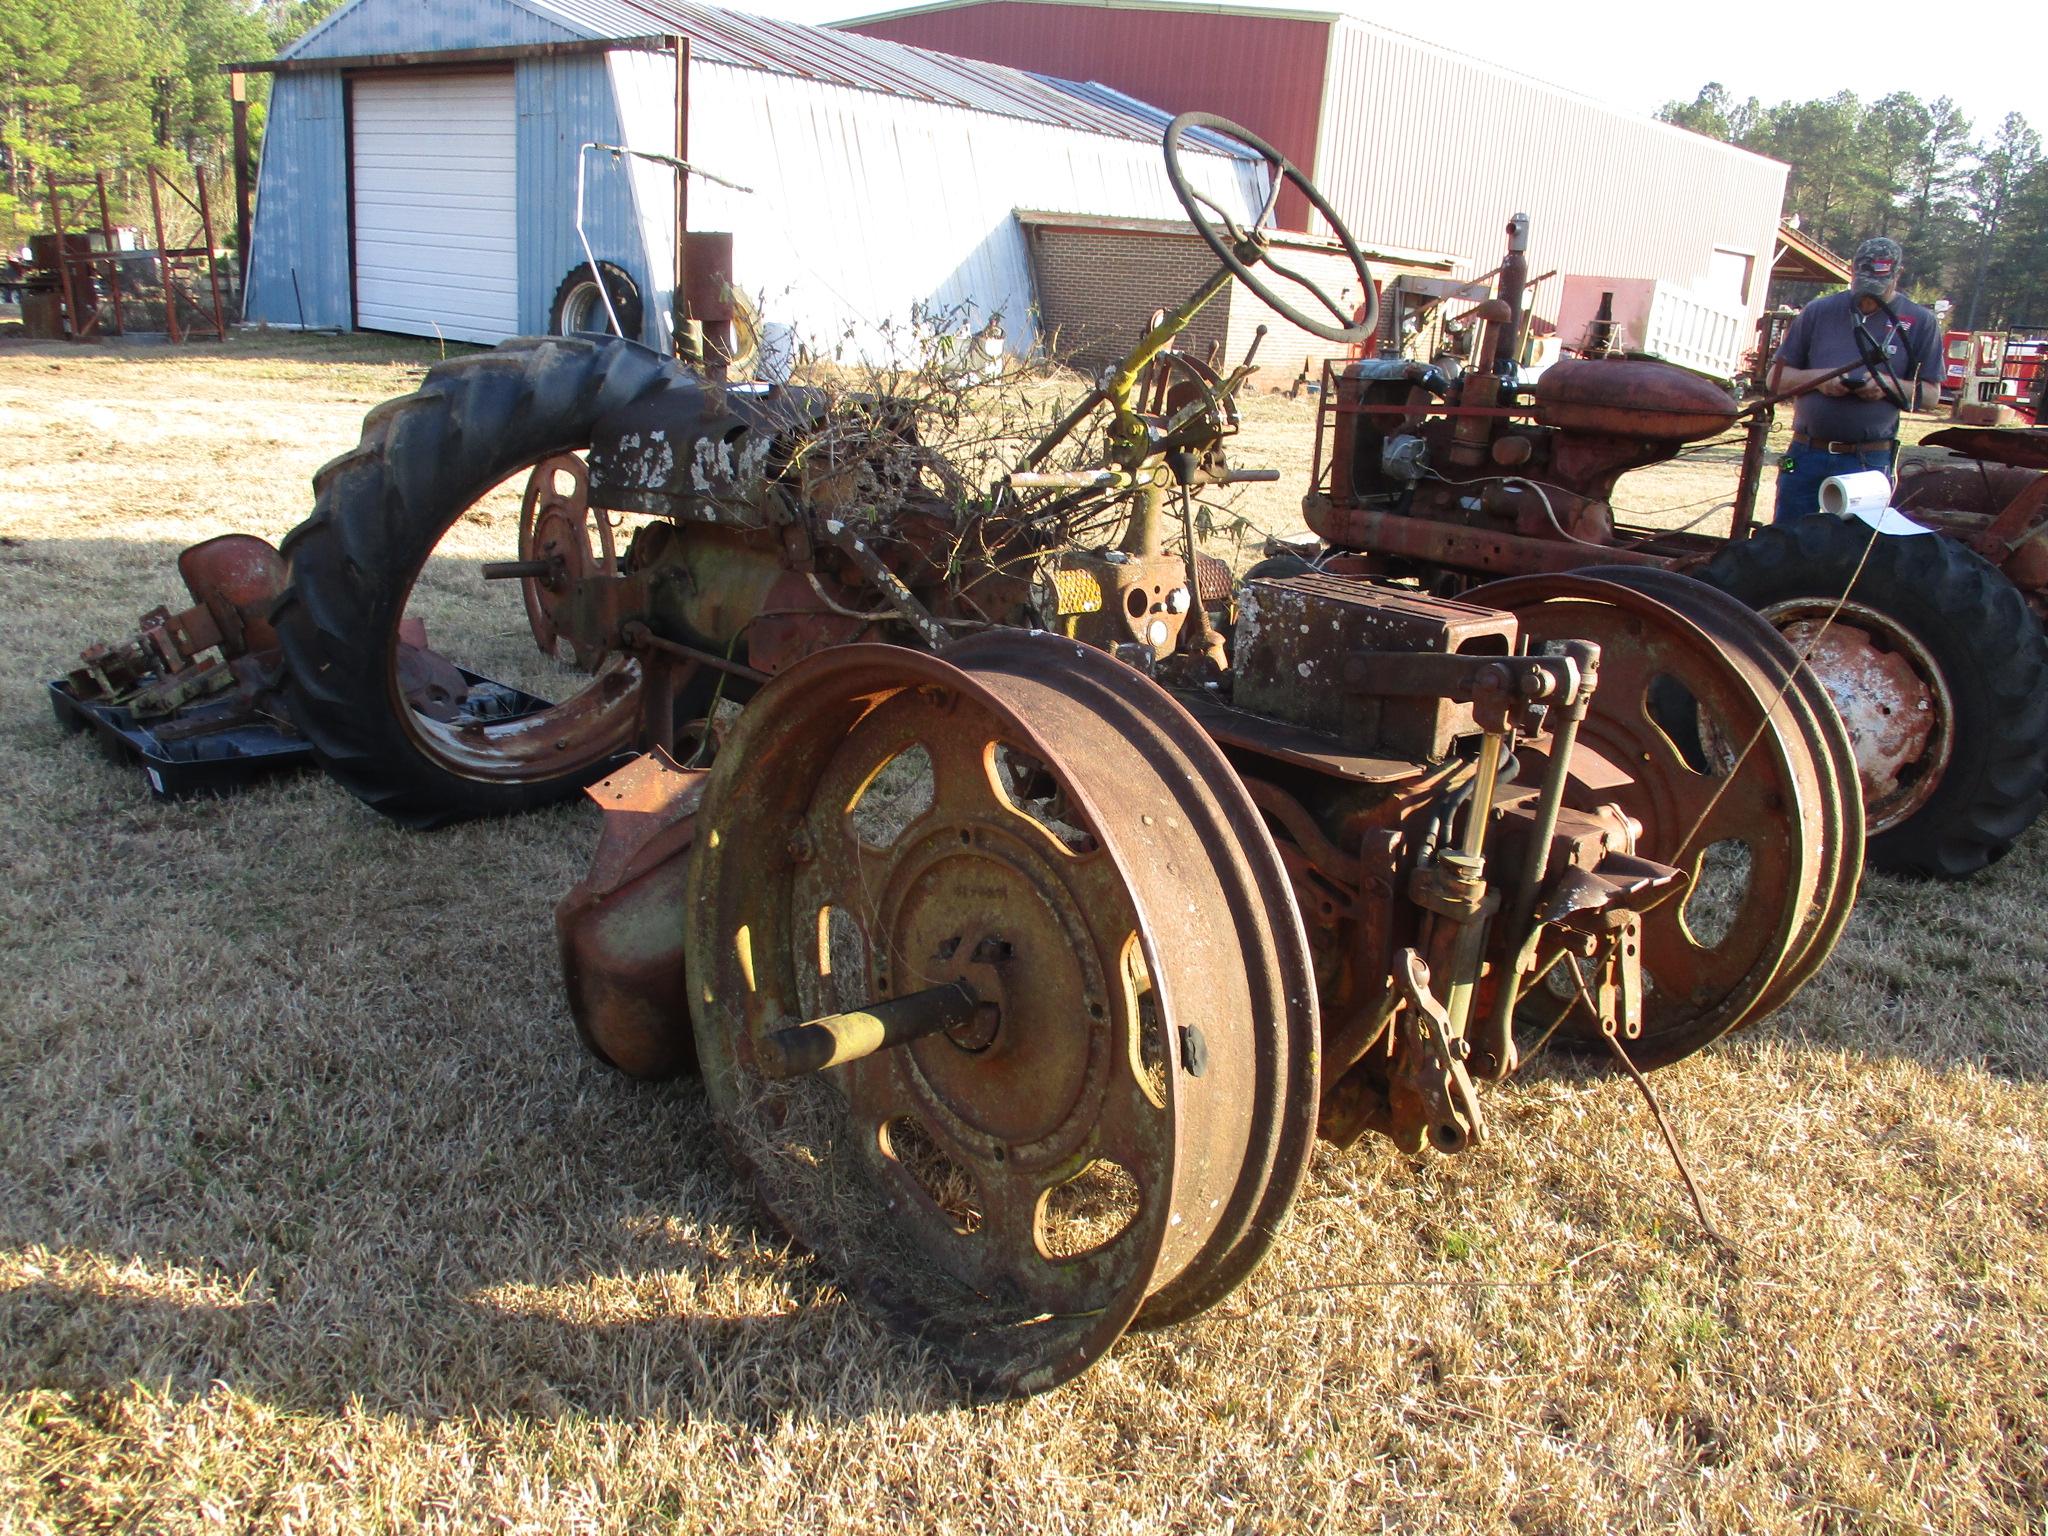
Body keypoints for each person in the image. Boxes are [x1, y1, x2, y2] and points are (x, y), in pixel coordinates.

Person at [1768, 236, 1943, 522]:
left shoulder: (1920, 322)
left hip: (1867, 458)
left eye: (1878, 286)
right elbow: (1774, 379)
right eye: (1862, 284)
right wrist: (1819, 379)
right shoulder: (1818, 312)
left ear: (1897, 275)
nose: (1867, 295)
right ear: (1851, 271)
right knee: (1788, 537)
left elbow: (1932, 395)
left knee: (1855, 545)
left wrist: (1886, 385)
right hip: (1805, 453)